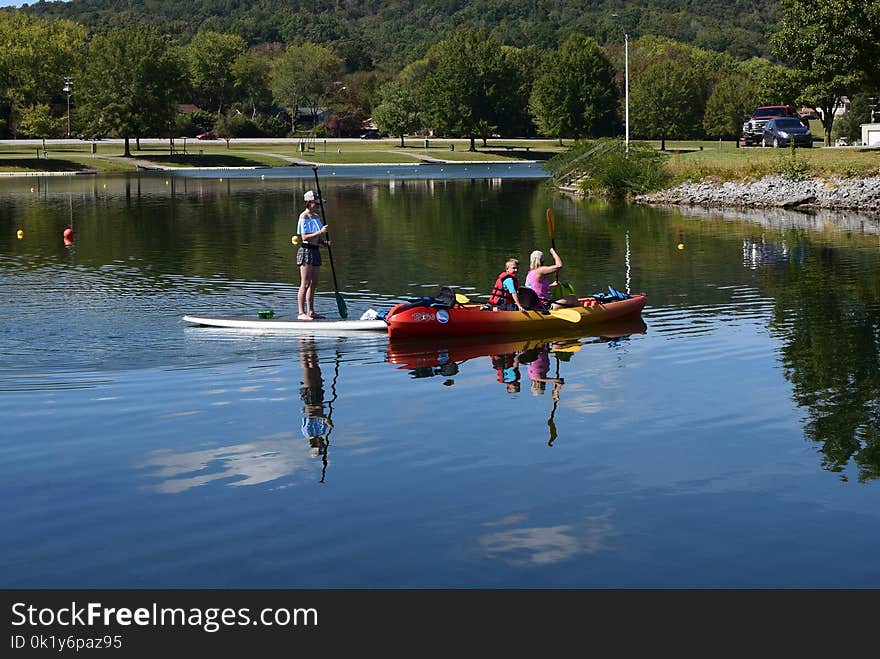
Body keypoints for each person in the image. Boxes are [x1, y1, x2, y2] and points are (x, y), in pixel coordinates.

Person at [296, 190, 329, 320]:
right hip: (306, 251)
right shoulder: (303, 216)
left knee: (313, 283)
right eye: (316, 204)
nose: (318, 206)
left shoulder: (316, 216)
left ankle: (311, 311)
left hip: (315, 251)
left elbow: (315, 238)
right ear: (309, 203)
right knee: (305, 283)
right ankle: (301, 313)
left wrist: (323, 242)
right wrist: (320, 232)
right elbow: (305, 237)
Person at [299, 337, 332, 456]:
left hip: (310, 398)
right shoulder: (323, 431)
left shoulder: (307, 432)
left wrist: (325, 418)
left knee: (308, 366)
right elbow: (321, 416)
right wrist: (326, 418)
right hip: (319, 398)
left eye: (320, 445)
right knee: (314, 364)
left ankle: (302, 340)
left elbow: (310, 415)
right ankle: (311, 341)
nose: (322, 444)